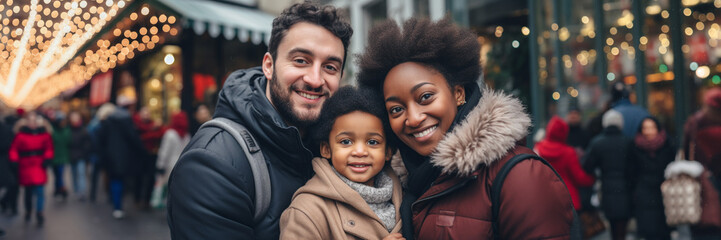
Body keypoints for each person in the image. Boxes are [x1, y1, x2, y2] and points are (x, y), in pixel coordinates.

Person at [357, 18, 576, 239]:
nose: (413, 119)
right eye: (396, 109)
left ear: (458, 93)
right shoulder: (400, 184)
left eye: (425, 97)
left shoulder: (519, 175)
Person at [166, 2, 353, 239]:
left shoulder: (337, 143)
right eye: (301, 61)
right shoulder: (213, 163)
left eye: (329, 67)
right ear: (269, 65)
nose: (316, 80)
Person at [280, 86, 404, 240]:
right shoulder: (307, 210)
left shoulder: (406, 200)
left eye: (372, 142)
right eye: (346, 141)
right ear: (326, 149)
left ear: (388, 151)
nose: (359, 151)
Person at [583, 110, 634, 240]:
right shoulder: (627, 142)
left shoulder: (597, 142)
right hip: (625, 189)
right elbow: (635, 167)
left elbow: (587, 166)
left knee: (612, 226)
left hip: (607, 189)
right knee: (622, 228)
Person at [96, 103, 148, 219]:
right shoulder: (125, 121)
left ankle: (117, 205)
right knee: (121, 180)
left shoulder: (105, 124)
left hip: (110, 157)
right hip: (125, 157)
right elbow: (133, 138)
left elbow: (100, 142)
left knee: (115, 180)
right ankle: (118, 204)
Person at [682, 87, 721, 239]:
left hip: (702, 176)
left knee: (704, 217)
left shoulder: (696, 122)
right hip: (710, 174)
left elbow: (687, 150)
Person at [534, 116, 595, 211]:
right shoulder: (568, 152)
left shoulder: (538, 148)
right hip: (568, 198)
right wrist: (591, 179)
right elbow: (579, 177)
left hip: (545, 198)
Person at [629, 117, 674, 240]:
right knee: (649, 232)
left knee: (664, 232)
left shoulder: (668, 144)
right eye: (645, 128)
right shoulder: (634, 146)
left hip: (664, 193)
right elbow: (631, 172)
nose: (648, 131)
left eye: (651, 127)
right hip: (644, 194)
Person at [9, 111, 54, 227]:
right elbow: (14, 149)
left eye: (34, 121)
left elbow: (49, 148)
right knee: (28, 192)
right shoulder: (20, 136)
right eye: (30, 121)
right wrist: (14, 160)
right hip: (25, 166)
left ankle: (39, 212)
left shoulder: (44, 135)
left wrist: (47, 158)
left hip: (39, 165)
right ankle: (28, 210)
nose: (32, 123)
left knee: (40, 191)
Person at [153, 111, 190, 207]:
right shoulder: (186, 135)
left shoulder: (170, 134)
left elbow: (164, 152)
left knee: (166, 188)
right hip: (182, 165)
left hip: (169, 165)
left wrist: (160, 165)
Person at [67, 111, 92, 201]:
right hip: (72, 155)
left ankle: (82, 191)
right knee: (74, 174)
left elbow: (87, 142)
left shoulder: (83, 129)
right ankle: (77, 189)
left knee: (81, 173)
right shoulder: (68, 129)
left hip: (80, 155)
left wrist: (85, 152)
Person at [49, 111, 71, 201]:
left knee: (60, 174)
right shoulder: (53, 131)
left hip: (61, 156)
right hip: (54, 157)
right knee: (56, 174)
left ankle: (62, 188)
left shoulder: (66, 130)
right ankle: (58, 188)